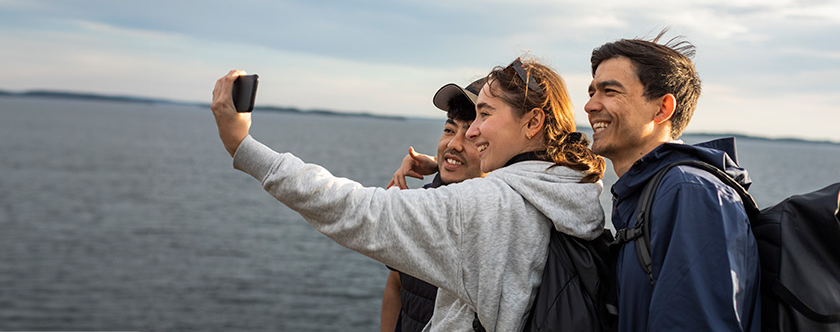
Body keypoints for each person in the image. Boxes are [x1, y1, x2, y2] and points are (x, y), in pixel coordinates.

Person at [209, 58, 607, 332]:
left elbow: (356, 210)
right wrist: (446, 170)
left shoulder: (491, 207)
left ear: (533, 121)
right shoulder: (567, 186)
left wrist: (242, 145)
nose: (470, 132)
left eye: (484, 115)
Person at [585, 31, 761, 331]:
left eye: (609, 91)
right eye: (591, 93)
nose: (590, 106)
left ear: (662, 108)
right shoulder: (651, 193)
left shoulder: (690, 192)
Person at [380, 78, 486, 332]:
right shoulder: (423, 203)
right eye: (449, 130)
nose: (453, 144)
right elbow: (396, 283)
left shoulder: (505, 219)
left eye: (472, 135)